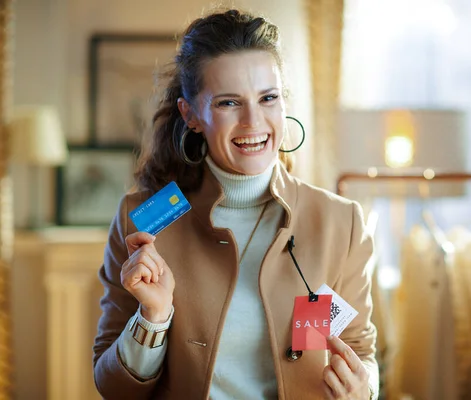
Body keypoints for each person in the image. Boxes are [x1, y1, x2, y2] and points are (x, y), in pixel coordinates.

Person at [93, 9, 378, 400]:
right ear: (191, 115)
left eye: (268, 98)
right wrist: (153, 319)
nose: (253, 121)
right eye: (229, 103)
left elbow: (361, 353)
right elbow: (112, 388)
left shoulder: (341, 222)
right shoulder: (142, 220)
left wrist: (363, 390)